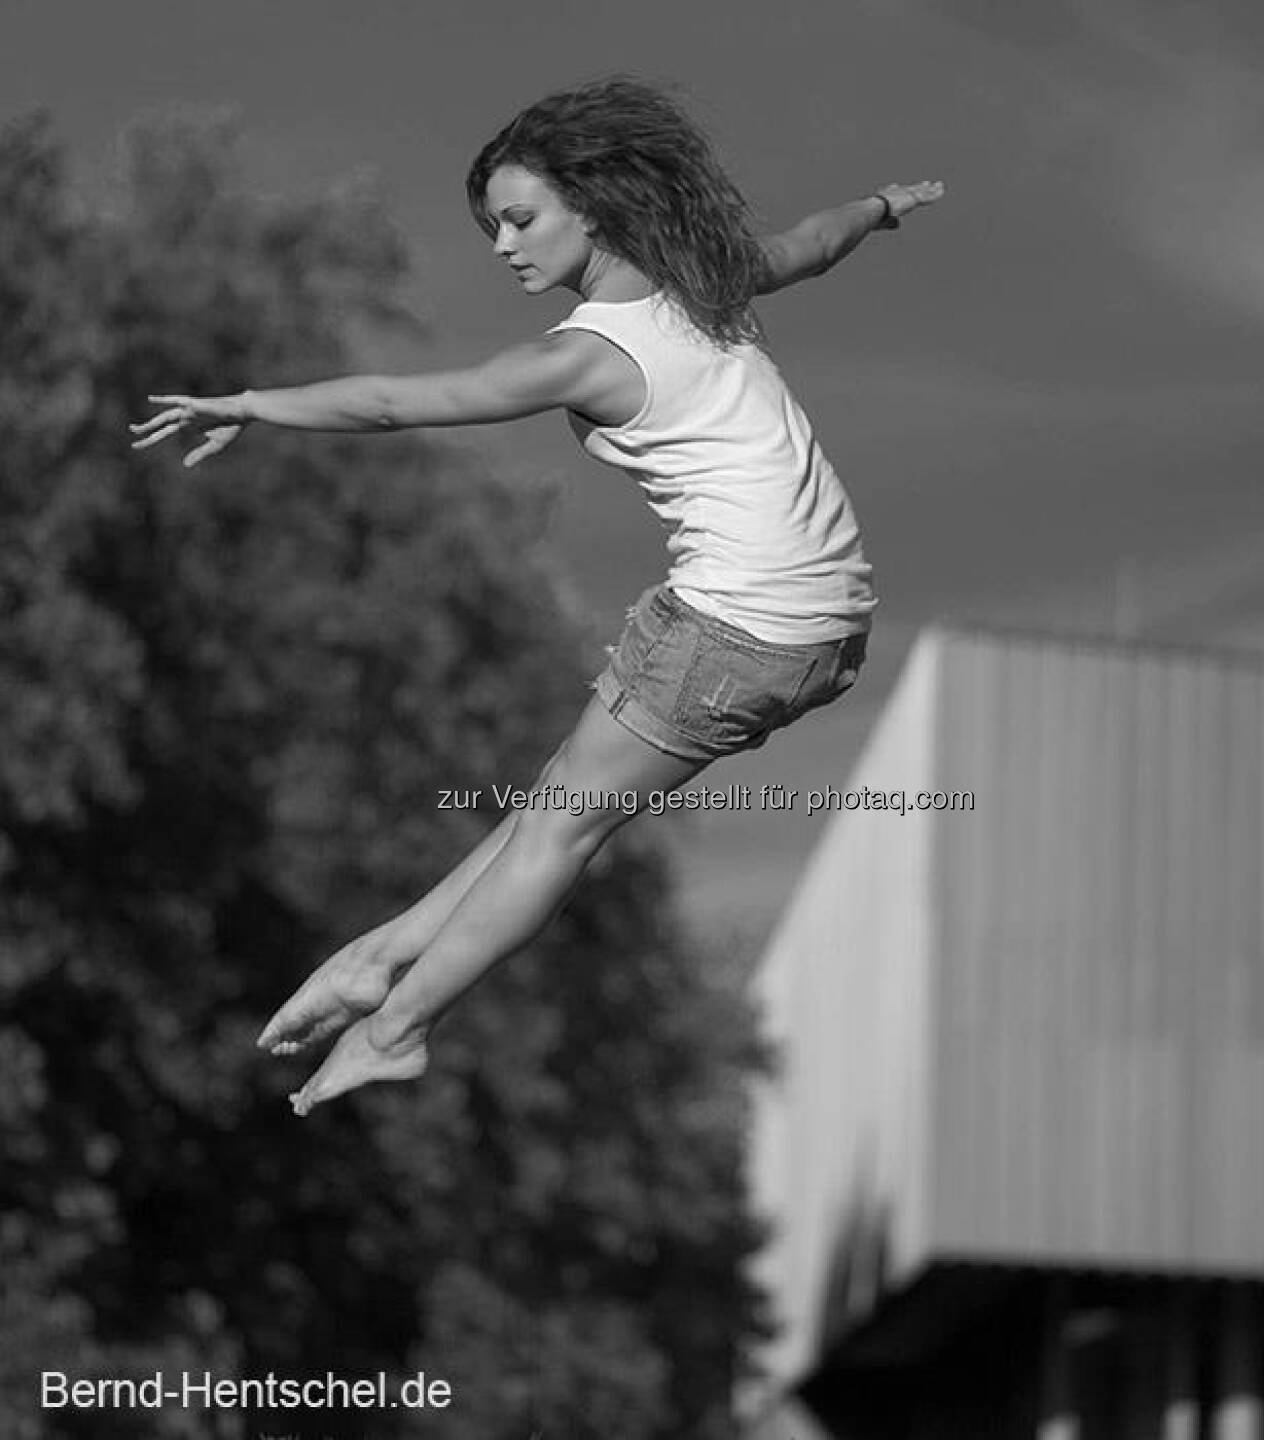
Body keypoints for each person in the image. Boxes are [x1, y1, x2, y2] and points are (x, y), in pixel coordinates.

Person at [130, 78, 944, 1116]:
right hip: (822, 634)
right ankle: (382, 959)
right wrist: (879, 206)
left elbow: (392, 405)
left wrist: (250, 402)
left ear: (591, 209)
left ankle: (397, 1025)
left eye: (521, 220)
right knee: (555, 802)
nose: (506, 246)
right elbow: (814, 243)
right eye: (493, 228)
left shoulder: (591, 355)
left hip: (742, 629)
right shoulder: (709, 284)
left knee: (558, 827)